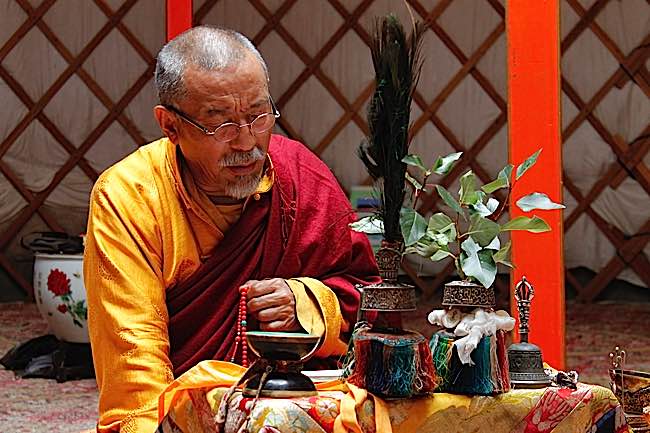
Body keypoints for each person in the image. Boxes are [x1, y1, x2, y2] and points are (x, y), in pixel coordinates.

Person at [83, 25, 379, 432]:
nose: (246, 142)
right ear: (169, 125)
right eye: (220, 125)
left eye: (259, 116)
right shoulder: (131, 196)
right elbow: (135, 362)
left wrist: (307, 302)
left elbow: (371, 301)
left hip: (293, 402)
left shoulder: (298, 174)